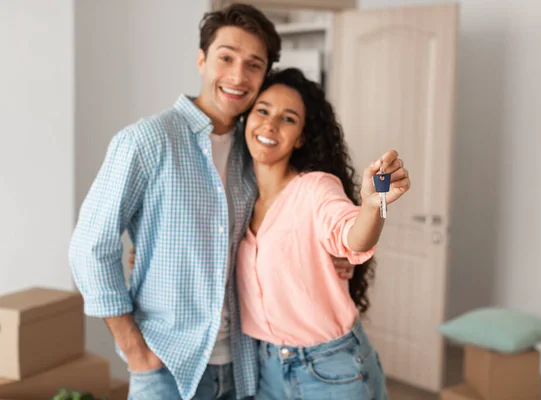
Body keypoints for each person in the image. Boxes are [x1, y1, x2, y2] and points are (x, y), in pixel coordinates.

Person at [69, 4, 355, 400]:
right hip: (166, 367)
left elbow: (282, 225)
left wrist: (330, 255)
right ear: (202, 60)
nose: (238, 76)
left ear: (263, 76)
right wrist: (135, 350)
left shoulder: (253, 151)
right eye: (226, 58)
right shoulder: (147, 141)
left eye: (254, 65)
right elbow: (89, 247)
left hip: (241, 368)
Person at [130, 69, 412, 398]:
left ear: (302, 137)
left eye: (288, 118)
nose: (270, 124)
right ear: (246, 120)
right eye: (262, 111)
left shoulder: (315, 188)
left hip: (331, 369)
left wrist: (374, 205)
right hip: (265, 368)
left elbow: (352, 237)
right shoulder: (237, 195)